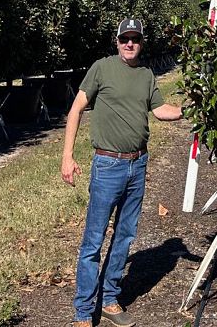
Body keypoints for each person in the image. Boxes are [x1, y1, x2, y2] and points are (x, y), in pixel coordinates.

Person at [61, 17, 183, 327]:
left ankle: (110, 298)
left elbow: (160, 111)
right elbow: (76, 109)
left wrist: (188, 109)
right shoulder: (102, 68)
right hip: (108, 166)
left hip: (138, 164)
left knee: (125, 236)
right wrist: (67, 156)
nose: (130, 43)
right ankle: (83, 313)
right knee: (94, 240)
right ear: (117, 41)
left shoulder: (146, 75)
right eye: (125, 38)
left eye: (136, 39)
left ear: (142, 43)